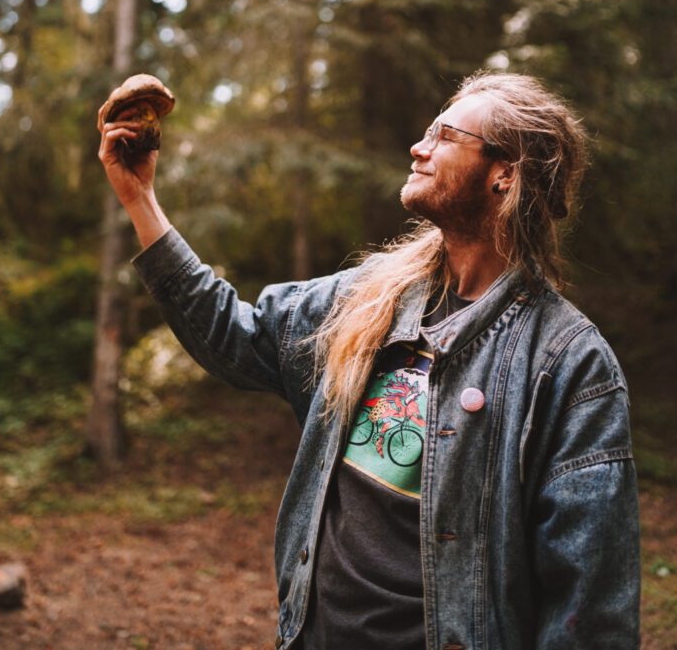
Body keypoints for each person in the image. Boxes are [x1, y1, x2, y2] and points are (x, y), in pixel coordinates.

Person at [98, 70, 640, 650]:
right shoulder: (370, 300)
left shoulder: (569, 363)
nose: (419, 146)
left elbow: (589, 607)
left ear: (504, 174)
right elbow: (238, 336)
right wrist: (141, 198)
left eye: (446, 134)